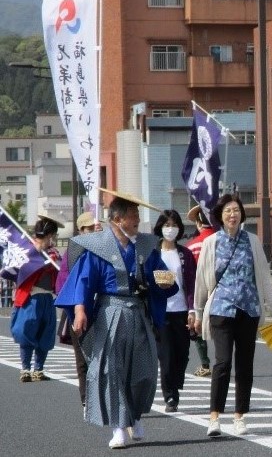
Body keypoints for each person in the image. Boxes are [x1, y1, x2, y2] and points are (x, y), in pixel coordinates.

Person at [55, 189, 178, 449]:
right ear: (118, 219)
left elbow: (162, 276)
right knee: (112, 370)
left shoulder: (146, 245)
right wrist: (80, 310)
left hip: (139, 312)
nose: (137, 219)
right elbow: (84, 280)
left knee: (143, 369)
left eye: (137, 214)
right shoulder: (97, 246)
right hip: (110, 311)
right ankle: (119, 427)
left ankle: (135, 415)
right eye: (133, 215)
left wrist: (164, 282)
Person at [193, 194, 272, 438]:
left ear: (242, 215)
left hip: (249, 310)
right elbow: (201, 280)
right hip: (221, 310)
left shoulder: (252, 241)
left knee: (245, 364)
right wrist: (197, 311)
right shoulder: (212, 243)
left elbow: (263, 278)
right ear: (221, 217)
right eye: (228, 211)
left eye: (236, 210)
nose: (233, 215)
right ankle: (214, 416)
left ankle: (239, 415)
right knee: (222, 363)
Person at [54, 211, 99, 410]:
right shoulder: (72, 250)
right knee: (82, 356)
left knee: (103, 355)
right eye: (88, 228)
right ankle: (86, 397)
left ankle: (103, 396)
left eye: (95, 227)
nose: (93, 231)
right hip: (77, 310)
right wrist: (76, 305)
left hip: (102, 308)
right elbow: (62, 283)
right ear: (80, 230)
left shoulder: (104, 248)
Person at [153, 209, 197, 413]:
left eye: (174, 225)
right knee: (166, 356)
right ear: (160, 227)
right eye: (166, 224)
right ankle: (170, 395)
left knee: (182, 353)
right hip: (161, 312)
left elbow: (191, 282)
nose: (170, 229)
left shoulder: (185, 254)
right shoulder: (153, 253)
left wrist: (192, 309)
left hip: (181, 310)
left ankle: (176, 383)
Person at [10, 215, 62, 383]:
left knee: (45, 334)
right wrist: (37, 256)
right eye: (53, 234)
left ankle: (38, 368)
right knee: (26, 331)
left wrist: (52, 260)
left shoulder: (53, 254)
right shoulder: (27, 250)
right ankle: (25, 368)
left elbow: (60, 270)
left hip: (47, 297)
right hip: (30, 296)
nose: (53, 238)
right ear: (49, 234)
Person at [186, 205, 215, 377]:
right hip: (222, 294)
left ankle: (205, 363)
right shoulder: (224, 240)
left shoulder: (192, 246)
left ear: (198, 222)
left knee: (198, 328)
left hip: (199, 294)